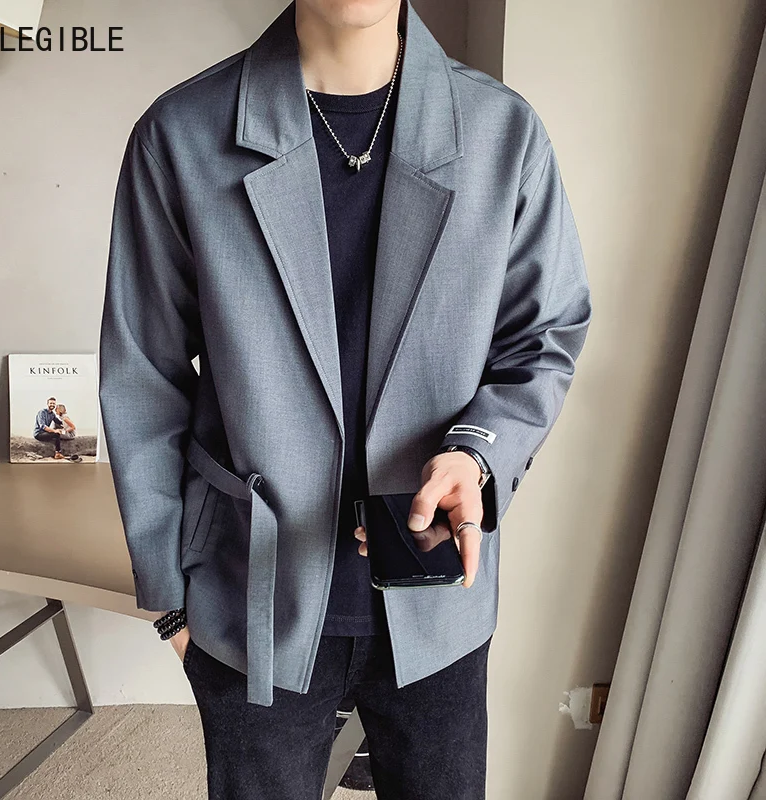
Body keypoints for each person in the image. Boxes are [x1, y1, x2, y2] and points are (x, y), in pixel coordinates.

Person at [98, 1, 592, 797]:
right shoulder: (182, 135)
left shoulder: (503, 133)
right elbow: (143, 373)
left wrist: (477, 452)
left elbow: (544, 333)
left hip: (438, 595)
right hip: (252, 594)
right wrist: (170, 603)